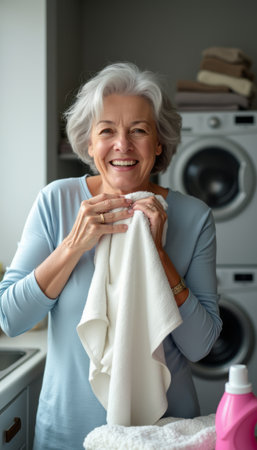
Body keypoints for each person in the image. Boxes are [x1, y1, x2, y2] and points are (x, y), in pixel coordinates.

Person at [0, 62, 222, 449]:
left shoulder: (194, 217)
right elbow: (10, 318)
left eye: (139, 130)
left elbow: (201, 346)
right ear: (88, 143)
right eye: (107, 131)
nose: (123, 145)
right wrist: (73, 244)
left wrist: (158, 255)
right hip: (68, 431)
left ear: (158, 144)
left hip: (164, 433)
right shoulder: (56, 201)